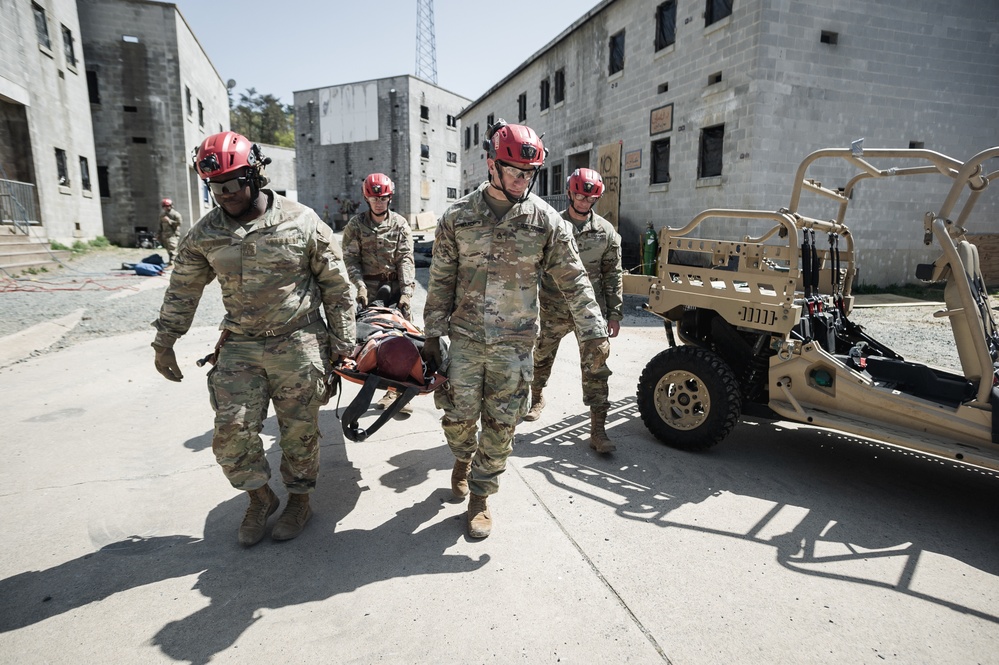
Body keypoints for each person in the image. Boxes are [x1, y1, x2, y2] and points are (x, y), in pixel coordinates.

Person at [150, 131, 355, 547]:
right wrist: (165, 340)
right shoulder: (206, 234)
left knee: (299, 432)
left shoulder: (301, 220)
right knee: (231, 432)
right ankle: (259, 497)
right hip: (241, 344)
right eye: (215, 187)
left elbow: (337, 286)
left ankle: (299, 499)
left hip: (299, 342)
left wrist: (344, 345)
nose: (224, 194)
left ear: (255, 174)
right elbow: (183, 289)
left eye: (232, 183)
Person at [422, 120, 609, 539]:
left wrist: (594, 330)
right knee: (457, 417)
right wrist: (432, 336)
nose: (523, 180)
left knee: (502, 424)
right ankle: (461, 458)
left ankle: (482, 497)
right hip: (467, 341)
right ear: (492, 165)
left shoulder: (545, 221)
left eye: (530, 173)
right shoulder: (457, 218)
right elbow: (440, 281)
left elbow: (574, 278)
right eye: (515, 171)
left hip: (516, 344)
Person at [523, 168, 623, 453]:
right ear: (569, 192)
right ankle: (537, 396)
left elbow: (613, 274)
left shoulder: (606, 232)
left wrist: (615, 314)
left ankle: (598, 430)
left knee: (597, 365)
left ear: (596, 198)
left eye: (589, 196)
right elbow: (533, 267)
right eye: (579, 194)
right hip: (553, 308)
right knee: (540, 357)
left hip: (589, 312)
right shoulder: (553, 225)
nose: (583, 200)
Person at [341, 173, 417, 413]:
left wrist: (406, 292)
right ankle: (373, 383)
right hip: (369, 291)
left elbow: (406, 259)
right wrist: (359, 286)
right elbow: (351, 258)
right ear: (366, 198)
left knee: (401, 340)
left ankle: (394, 393)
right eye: (374, 198)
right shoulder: (356, 225)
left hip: (395, 288)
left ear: (389, 198)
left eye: (383, 198)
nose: (378, 202)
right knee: (368, 339)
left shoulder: (400, 224)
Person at [158, 198, 184, 264]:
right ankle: (171, 262)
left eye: (167, 206)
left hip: (173, 235)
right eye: (164, 206)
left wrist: (169, 221)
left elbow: (179, 223)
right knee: (168, 250)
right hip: (164, 235)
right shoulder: (162, 215)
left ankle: (173, 263)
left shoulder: (175, 214)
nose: (166, 208)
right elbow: (160, 225)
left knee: (173, 249)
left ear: (171, 206)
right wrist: (158, 234)